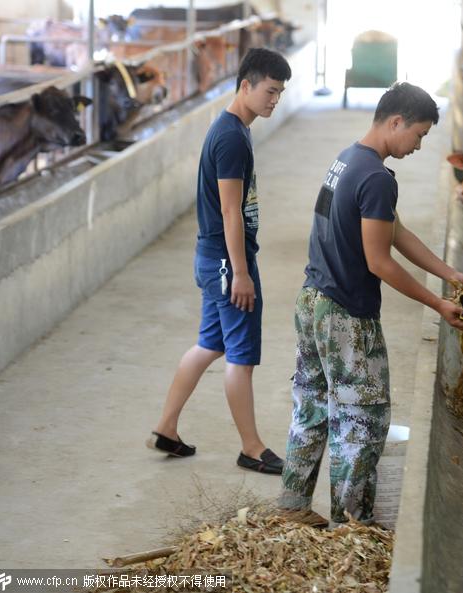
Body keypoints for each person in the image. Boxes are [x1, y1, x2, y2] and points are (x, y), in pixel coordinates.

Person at [278, 82, 463, 525]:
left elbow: (396, 232)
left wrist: (449, 274)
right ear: (396, 122)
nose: (419, 146)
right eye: (418, 135)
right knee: (363, 419)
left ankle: (291, 507)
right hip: (346, 312)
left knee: (312, 406)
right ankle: (351, 525)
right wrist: (437, 303)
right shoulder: (377, 178)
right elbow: (380, 261)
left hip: (312, 302)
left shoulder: (347, 159)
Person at [147, 48, 291, 475]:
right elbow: (231, 211)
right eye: (269, 90)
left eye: (280, 93)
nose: (274, 100)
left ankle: (165, 428)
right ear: (245, 85)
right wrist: (241, 273)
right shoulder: (230, 137)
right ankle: (251, 447)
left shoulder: (234, 129)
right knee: (240, 355)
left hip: (212, 259)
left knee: (209, 344)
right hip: (228, 263)